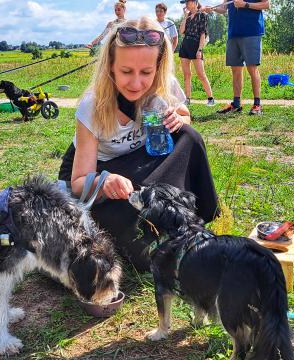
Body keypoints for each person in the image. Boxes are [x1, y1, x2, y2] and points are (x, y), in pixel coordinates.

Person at [58, 17, 218, 272]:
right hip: (103, 174)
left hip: (143, 163)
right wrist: (105, 182)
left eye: (146, 72)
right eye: (126, 72)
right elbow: (78, 182)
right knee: (129, 220)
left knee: (189, 136)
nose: (136, 83)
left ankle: (190, 214)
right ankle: (161, 218)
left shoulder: (165, 86)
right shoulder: (92, 106)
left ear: (158, 66)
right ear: (110, 66)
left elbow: (185, 115)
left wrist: (180, 117)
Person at [203, 0, 270, 115]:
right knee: (235, 69)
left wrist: (246, 4)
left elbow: (266, 5)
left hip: (251, 32)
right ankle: (236, 104)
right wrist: (212, 9)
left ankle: (257, 104)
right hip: (233, 33)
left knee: (252, 68)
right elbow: (224, 8)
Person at [179, 0, 215, 106]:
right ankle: (188, 99)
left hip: (196, 45)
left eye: (188, 2)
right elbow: (181, 32)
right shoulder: (188, 17)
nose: (186, 4)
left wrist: (200, 49)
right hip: (185, 45)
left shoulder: (202, 15)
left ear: (195, 2)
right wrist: (185, 16)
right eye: (185, 3)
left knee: (201, 74)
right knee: (187, 74)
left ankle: (211, 98)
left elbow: (203, 33)